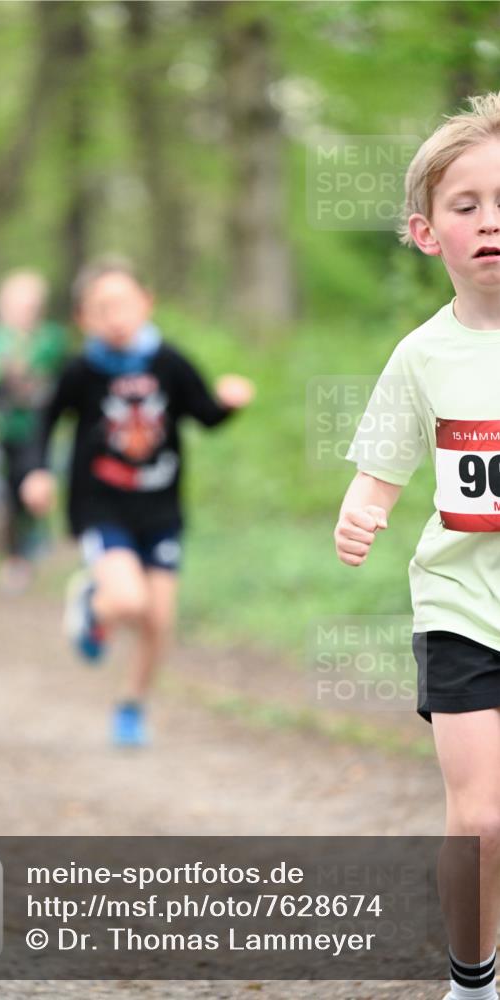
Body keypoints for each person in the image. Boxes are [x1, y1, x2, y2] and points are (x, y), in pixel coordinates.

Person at [335, 92, 500, 1000]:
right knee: (480, 820)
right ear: (426, 233)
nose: (490, 222)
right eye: (466, 205)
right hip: (463, 609)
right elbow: (380, 471)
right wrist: (359, 513)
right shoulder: (419, 357)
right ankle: (472, 979)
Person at [19, 256, 254, 746]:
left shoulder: (169, 361)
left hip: (161, 508)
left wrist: (229, 402)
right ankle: (94, 604)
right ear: (83, 318)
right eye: (101, 309)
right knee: (129, 599)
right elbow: (45, 420)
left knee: (158, 620)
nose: (115, 317)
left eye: (123, 304)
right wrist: (37, 472)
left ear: (147, 302)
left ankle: (131, 704)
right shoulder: (81, 370)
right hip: (101, 505)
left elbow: (204, 414)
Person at [0, 270, 68, 593]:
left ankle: (38, 545)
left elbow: (64, 375)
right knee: (9, 492)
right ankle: (15, 557)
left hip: (42, 427)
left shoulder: (51, 337)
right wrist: (3, 371)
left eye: (31, 305)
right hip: (7, 428)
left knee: (36, 485)